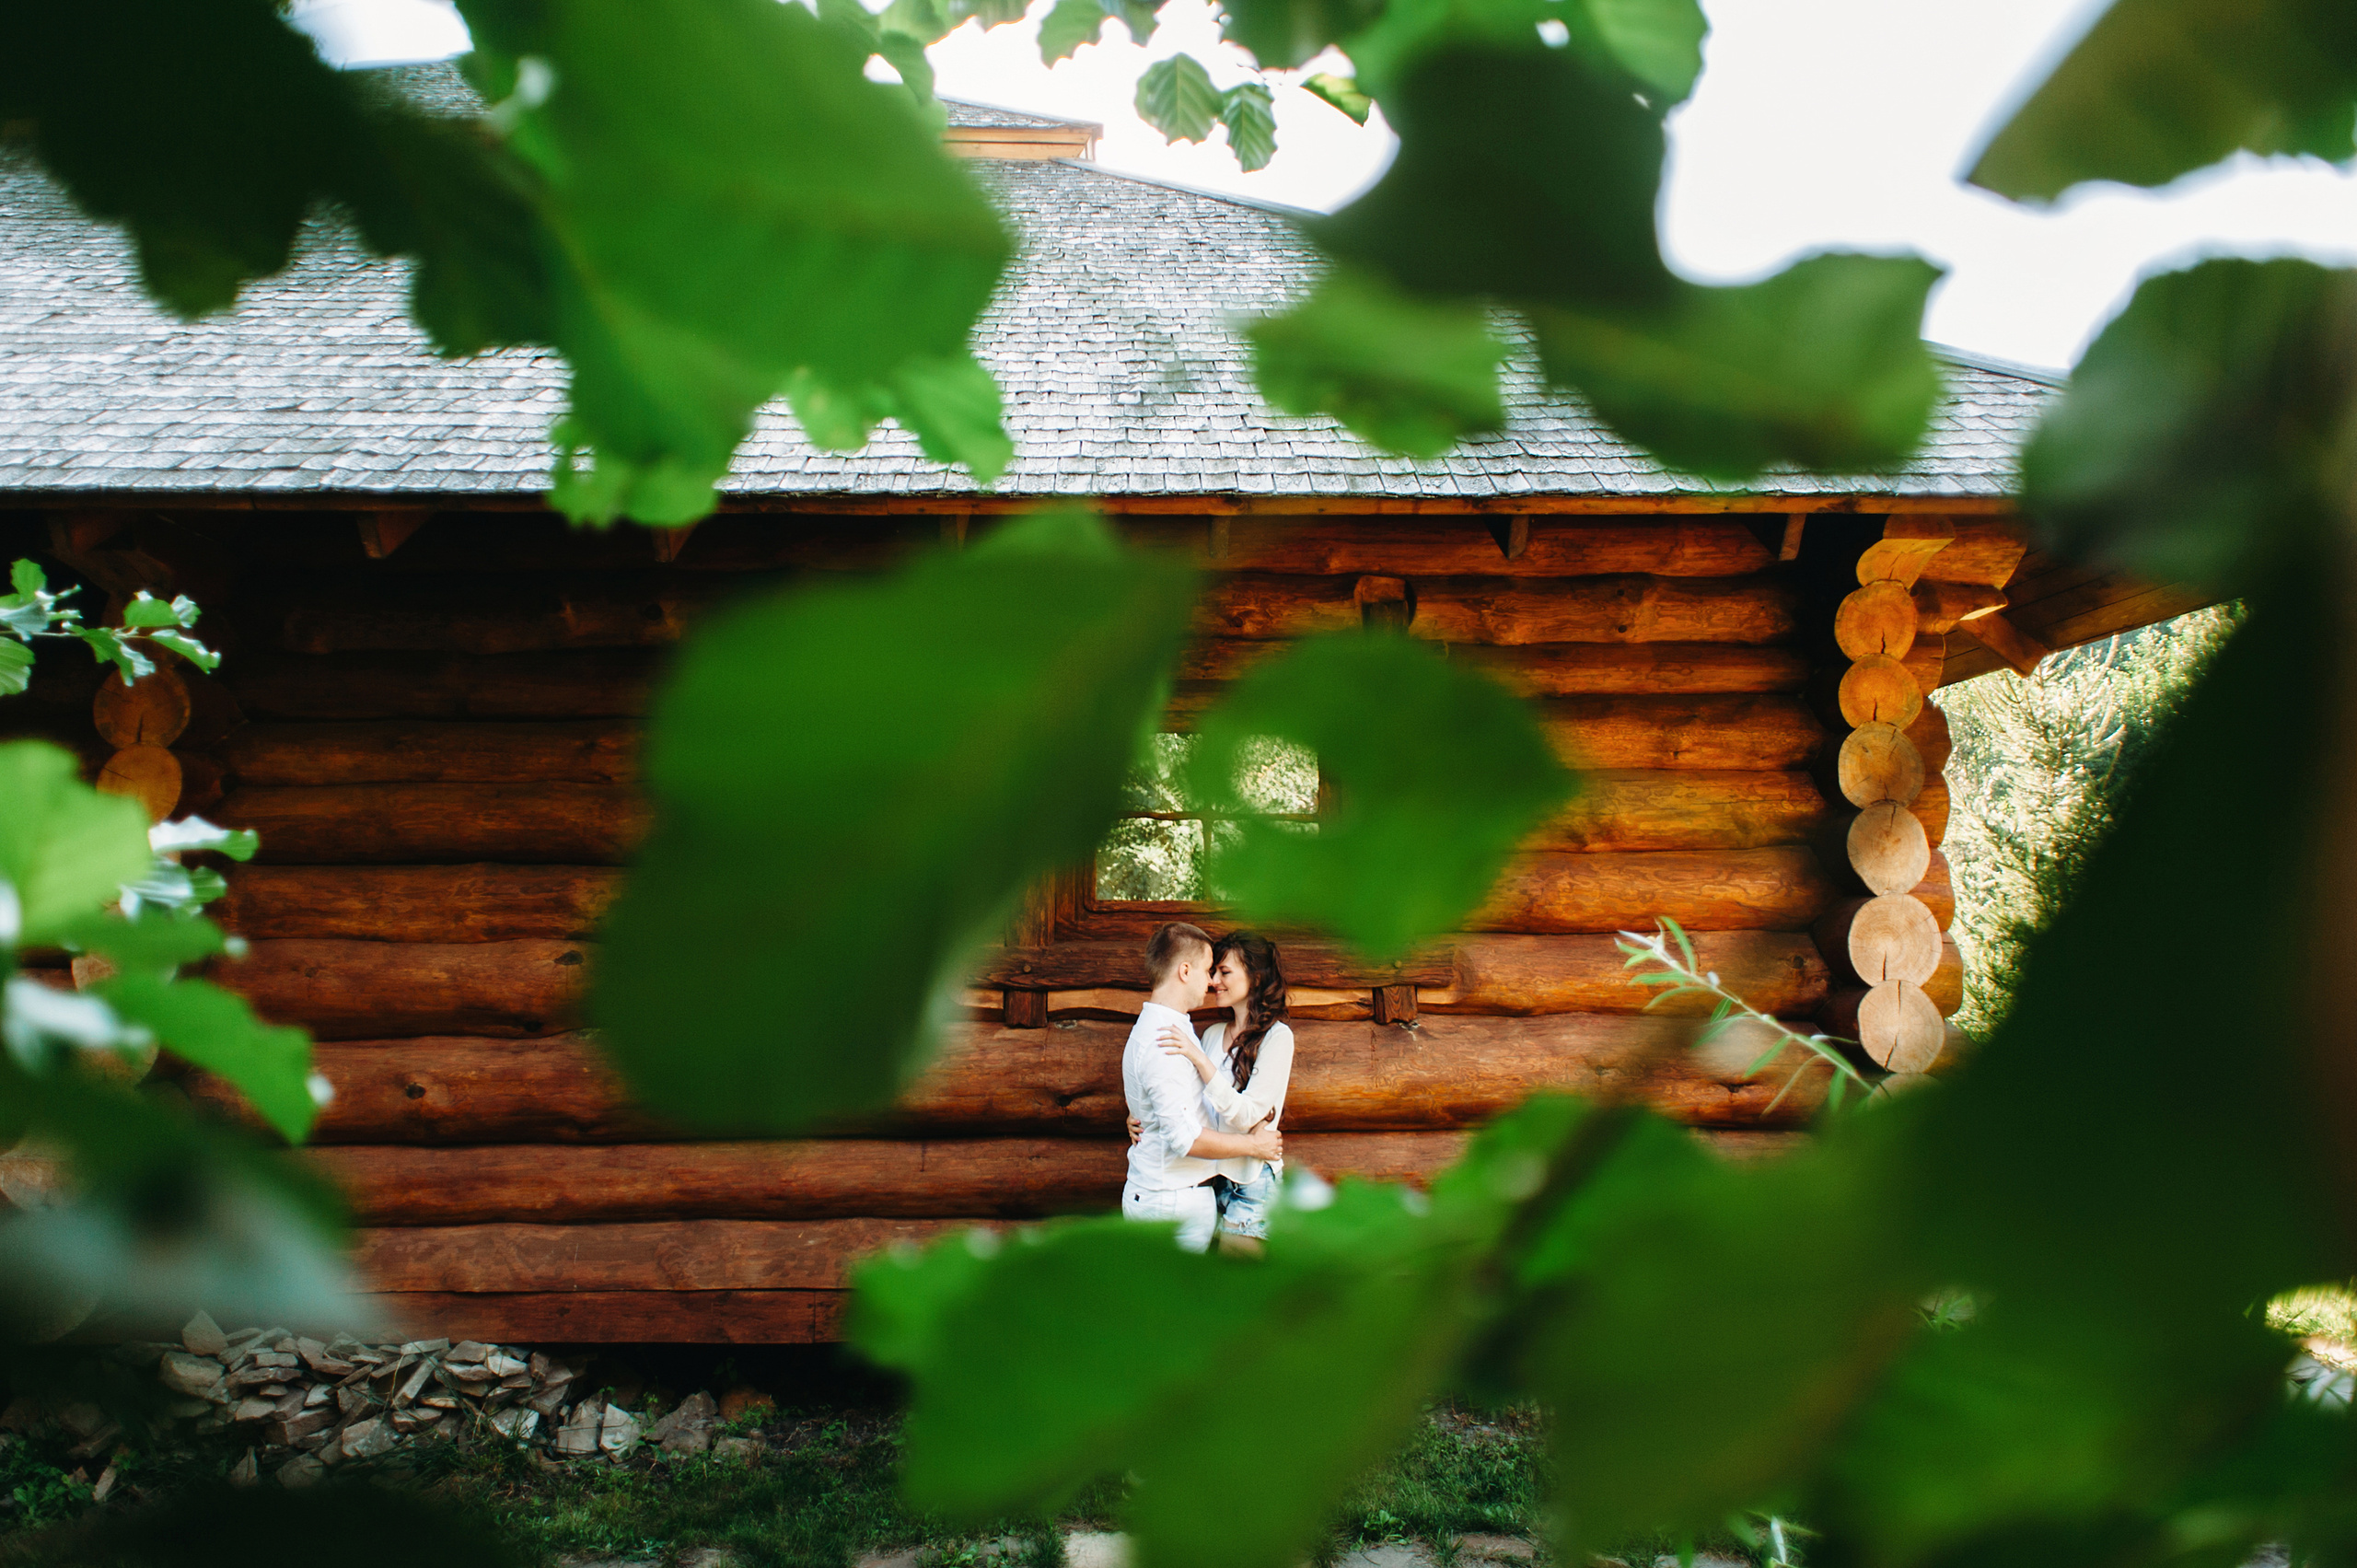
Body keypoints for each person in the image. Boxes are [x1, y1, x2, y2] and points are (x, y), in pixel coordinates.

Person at [1120, 921, 1282, 1253]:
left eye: (1223, 972)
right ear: (1184, 971)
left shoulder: (1180, 1031)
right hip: (1180, 1195)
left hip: (1239, 1185)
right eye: (1211, 970)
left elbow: (1206, 1106)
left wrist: (1150, 1116)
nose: (1212, 982)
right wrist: (1254, 1145)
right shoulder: (1179, 1037)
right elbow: (1186, 1132)